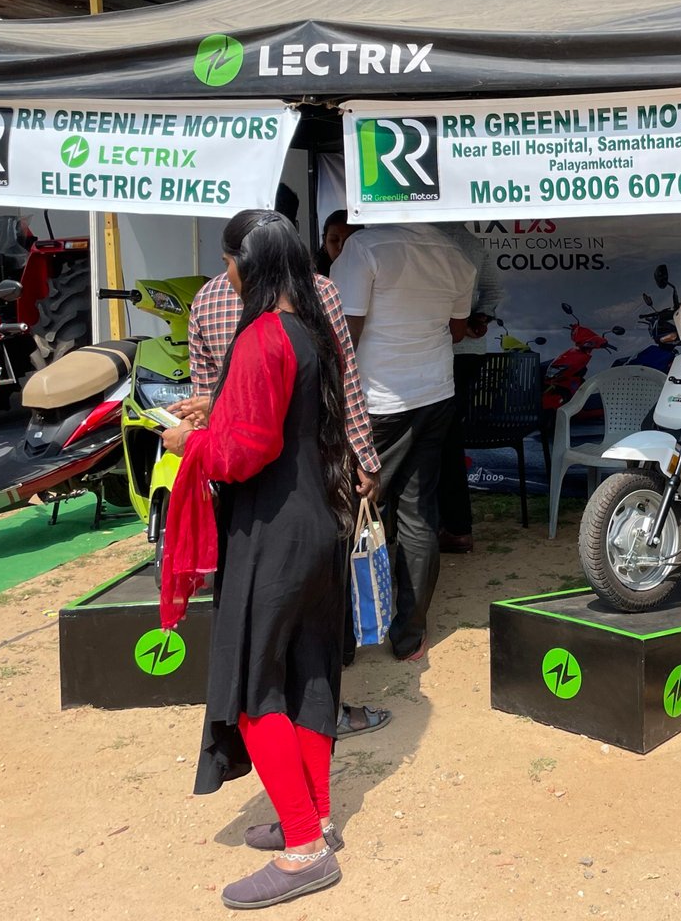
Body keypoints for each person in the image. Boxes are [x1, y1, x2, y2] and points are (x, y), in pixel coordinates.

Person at [159, 211, 356, 908]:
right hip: (320, 522)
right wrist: (217, 414)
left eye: (228, 263)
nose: (226, 275)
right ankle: (318, 820)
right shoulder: (311, 330)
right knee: (309, 676)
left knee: (252, 688)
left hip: (272, 531)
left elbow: (245, 452)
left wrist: (189, 443)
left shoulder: (261, 336)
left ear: (247, 265)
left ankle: (303, 850)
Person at [180, 184, 388, 739]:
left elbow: (210, 399)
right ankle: (312, 710)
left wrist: (197, 438)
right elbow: (344, 383)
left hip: (245, 487)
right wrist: (365, 458)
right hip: (311, 472)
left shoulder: (209, 299)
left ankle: (278, 709)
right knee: (313, 612)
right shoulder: (319, 293)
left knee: (260, 611)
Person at [331, 222, 477, 661]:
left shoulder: (364, 247)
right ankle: (410, 636)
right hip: (434, 393)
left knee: (348, 511)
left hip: (376, 401)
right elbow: (456, 330)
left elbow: (344, 334)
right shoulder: (454, 254)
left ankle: (341, 641)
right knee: (418, 515)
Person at [434, 221, 504, 554]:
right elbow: (494, 290)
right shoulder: (471, 241)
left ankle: (452, 526)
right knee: (447, 437)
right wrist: (480, 317)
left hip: (437, 349)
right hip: (466, 350)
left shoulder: (420, 236)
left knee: (441, 439)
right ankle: (454, 526)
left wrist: (474, 319)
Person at [318, 210, 361, 277]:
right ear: (325, 243)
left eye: (349, 241)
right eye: (334, 240)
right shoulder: (314, 278)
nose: (341, 247)